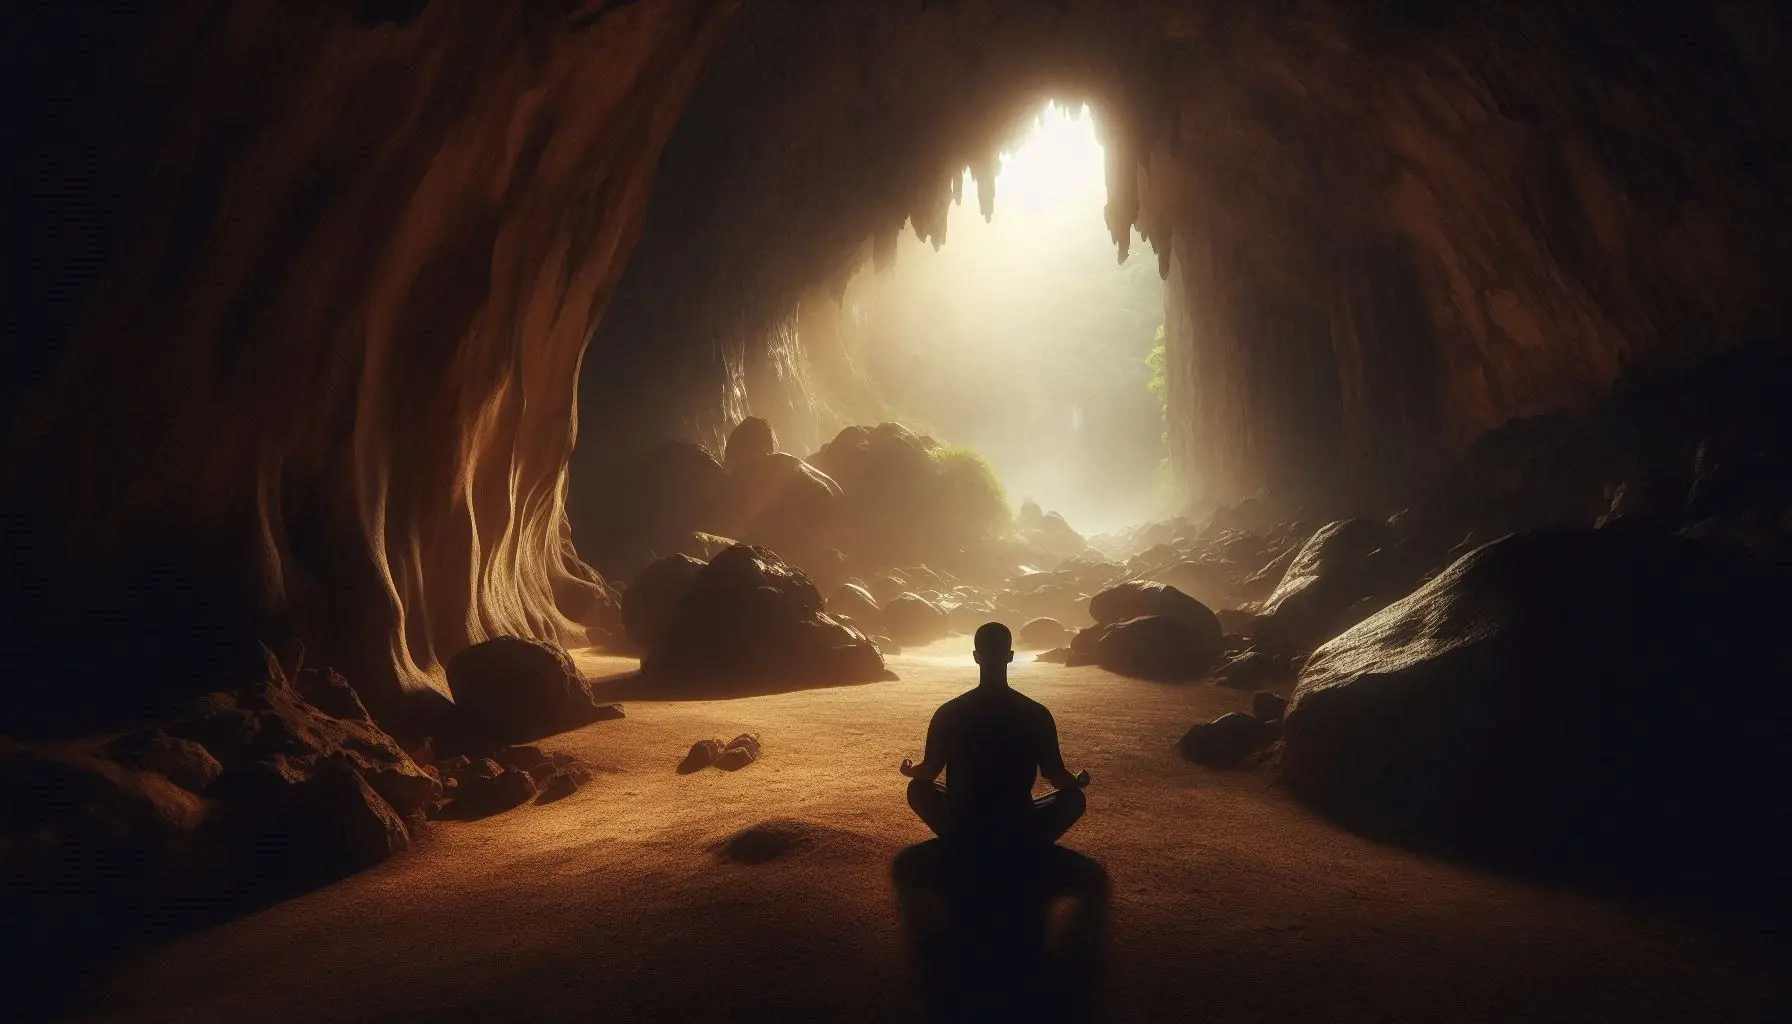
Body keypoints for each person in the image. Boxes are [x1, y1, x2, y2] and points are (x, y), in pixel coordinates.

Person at [901, 622, 1090, 851]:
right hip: (1018, 823)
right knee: (1073, 799)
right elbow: (1059, 778)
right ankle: (1021, 845)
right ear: (1010, 656)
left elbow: (929, 772)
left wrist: (910, 770)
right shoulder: (1035, 713)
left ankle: (964, 842)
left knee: (917, 790)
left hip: (963, 822)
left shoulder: (949, 712)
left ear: (976, 657)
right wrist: (1078, 780)